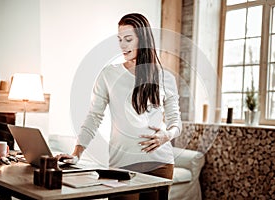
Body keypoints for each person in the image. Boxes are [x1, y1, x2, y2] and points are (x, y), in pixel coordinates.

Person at [58, 13, 182, 200]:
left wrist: (167, 135)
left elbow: (175, 122)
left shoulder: (165, 78)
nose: (123, 45)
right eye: (120, 39)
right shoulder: (109, 74)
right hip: (121, 166)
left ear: (143, 40)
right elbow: (94, 117)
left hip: (160, 164)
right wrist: (76, 153)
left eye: (128, 39)